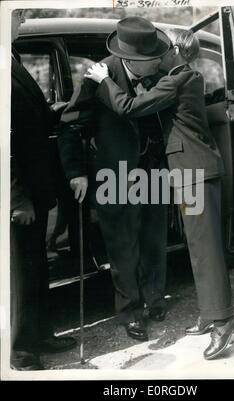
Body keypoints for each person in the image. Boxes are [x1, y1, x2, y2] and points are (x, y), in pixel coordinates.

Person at [84, 29, 234, 360]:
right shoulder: (184, 76)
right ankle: (211, 314)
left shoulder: (178, 79)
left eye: (161, 51)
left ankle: (224, 321)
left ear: (175, 53)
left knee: (206, 252)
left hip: (193, 172)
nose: (154, 57)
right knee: (199, 251)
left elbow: (129, 106)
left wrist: (103, 81)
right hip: (192, 171)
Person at [59, 17, 171, 342]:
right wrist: (76, 172)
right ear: (133, 59)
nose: (160, 61)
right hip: (114, 173)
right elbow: (70, 124)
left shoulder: (158, 75)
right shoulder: (98, 77)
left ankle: (155, 297)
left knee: (154, 237)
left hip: (153, 170)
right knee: (123, 246)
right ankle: (132, 312)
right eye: (154, 58)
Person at [10, 9, 76, 371]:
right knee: (19, 273)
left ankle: (40, 335)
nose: (20, 19)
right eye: (17, 14)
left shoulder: (13, 59)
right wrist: (16, 197)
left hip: (35, 188)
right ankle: (19, 349)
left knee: (36, 267)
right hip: (19, 195)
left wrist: (56, 110)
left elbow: (29, 118)